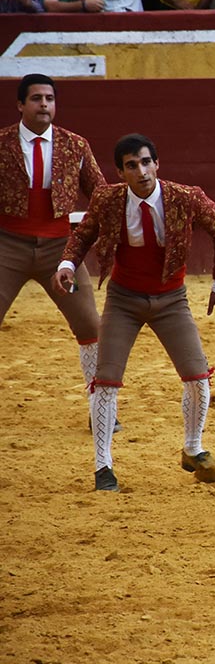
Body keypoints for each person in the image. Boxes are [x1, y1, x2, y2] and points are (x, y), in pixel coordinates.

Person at [54, 133, 215, 493]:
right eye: (132, 165)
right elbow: (84, 234)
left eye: (146, 162)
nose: (142, 171)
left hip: (171, 299)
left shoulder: (185, 197)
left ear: (157, 164)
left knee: (197, 377)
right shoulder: (107, 199)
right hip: (123, 300)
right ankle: (103, 466)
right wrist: (67, 264)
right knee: (106, 380)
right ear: (121, 173)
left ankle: (193, 448)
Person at [0, 74, 106, 427]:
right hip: (7, 247)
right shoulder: (1, 143)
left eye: (49, 98)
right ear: (20, 105)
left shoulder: (75, 145)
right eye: (36, 98)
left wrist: (105, 237)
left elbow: (101, 195)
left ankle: (101, 410)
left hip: (61, 251)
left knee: (90, 325)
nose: (44, 104)